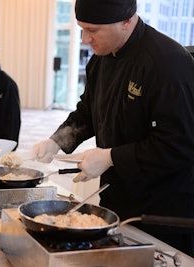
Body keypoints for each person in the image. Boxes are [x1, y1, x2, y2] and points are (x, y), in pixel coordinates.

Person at [33, 0, 194, 257]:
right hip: (116, 200)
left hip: (162, 213)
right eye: (81, 29)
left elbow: (177, 146)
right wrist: (57, 141)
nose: (85, 39)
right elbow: (88, 110)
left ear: (126, 21)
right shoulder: (100, 60)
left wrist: (109, 157)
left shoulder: (168, 63)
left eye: (93, 30)